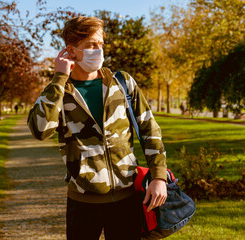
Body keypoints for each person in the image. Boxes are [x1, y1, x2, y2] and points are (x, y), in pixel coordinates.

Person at [28, 16, 167, 240]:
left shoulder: (123, 83)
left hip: (127, 200)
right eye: (91, 45)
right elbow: (40, 131)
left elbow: (150, 130)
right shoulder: (59, 91)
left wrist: (159, 177)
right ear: (71, 51)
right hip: (82, 203)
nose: (98, 51)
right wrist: (59, 77)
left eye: (101, 44)